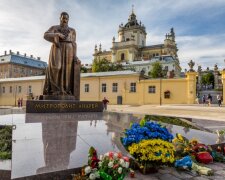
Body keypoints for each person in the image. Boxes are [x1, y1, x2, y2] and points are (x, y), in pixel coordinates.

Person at [43, 12, 79, 96]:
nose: (64, 20)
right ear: (60, 18)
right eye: (63, 18)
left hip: (69, 48)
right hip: (57, 47)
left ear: (68, 20)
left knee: (67, 70)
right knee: (56, 67)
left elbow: (74, 43)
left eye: (66, 19)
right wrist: (56, 34)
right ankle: (54, 90)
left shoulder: (72, 30)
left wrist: (75, 55)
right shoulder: (54, 27)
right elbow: (45, 35)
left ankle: (65, 90)